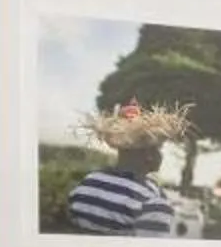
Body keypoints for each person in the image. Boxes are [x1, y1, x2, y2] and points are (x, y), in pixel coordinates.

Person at [61, 102, 192, 237]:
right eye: (159, 149)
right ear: (149, 155)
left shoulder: (87, 183)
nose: (161, 155)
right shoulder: (151, 203)